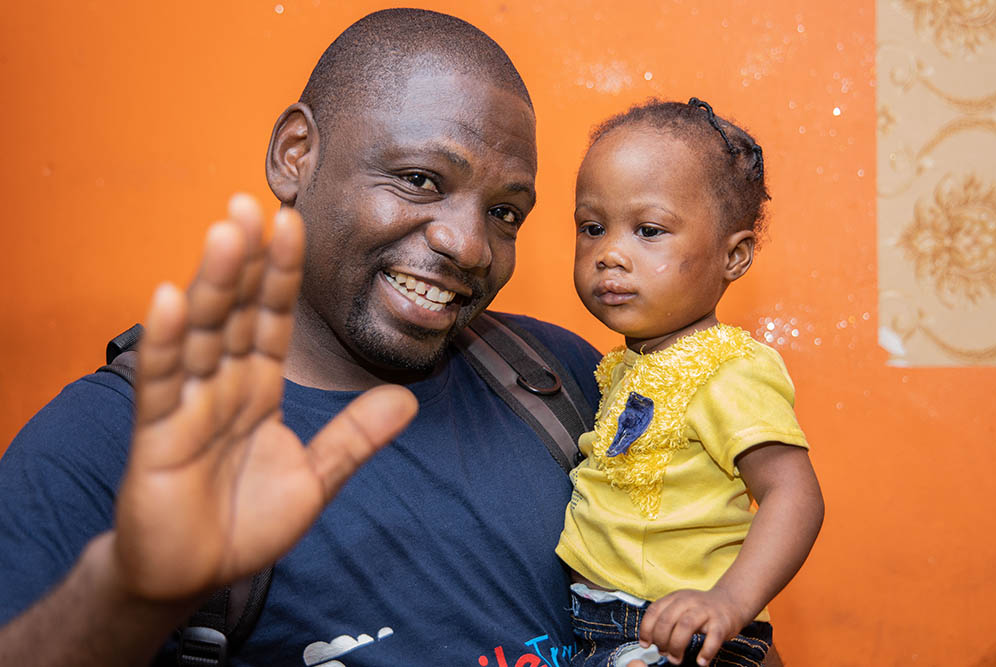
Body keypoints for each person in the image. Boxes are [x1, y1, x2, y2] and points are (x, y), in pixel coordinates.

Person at [0, 10, 606, 665]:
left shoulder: (556, 377)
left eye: (504, 213)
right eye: (421, 179)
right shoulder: (107, 442)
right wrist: (128, 599)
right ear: (296, 155)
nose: (470, 245)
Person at [554, 99, 824, 667]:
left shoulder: (728, 367)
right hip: (600, 623)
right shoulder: (620, 369)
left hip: (680, 633)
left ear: (735, 255)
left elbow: (793, 494)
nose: (610, 254)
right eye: (592, 227)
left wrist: (727, 603)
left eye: (648, 230)